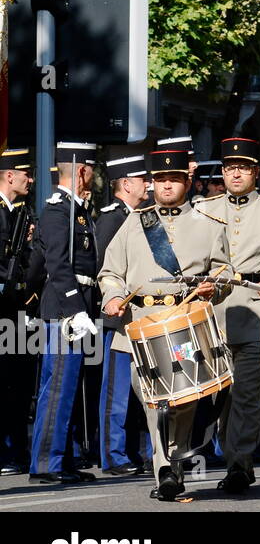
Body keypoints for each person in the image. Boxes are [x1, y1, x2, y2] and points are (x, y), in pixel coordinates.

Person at [99, 147, 231, 500]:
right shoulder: (133, 223)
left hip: (184, 323)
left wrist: (213, 286)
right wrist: (112, 296)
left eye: (173, 179)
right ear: (153, 183)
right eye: (160, 180)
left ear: (186, 181)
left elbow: (225, 272)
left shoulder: (209, 225)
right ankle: (165, 468)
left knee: (182, 400)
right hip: (141, 326)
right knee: (152, 400)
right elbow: (110, 271)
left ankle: (169, 465)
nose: (167, 186)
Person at [199, 137, 260, 496]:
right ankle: (224, 455)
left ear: (256, 172)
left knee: (247, 394)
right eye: (229, 168)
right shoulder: (202, 209)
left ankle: (239, 464)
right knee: (218, 398)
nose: (235, 174)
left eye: (243, 168)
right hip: (212, 317)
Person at [27, 142, 100, 485]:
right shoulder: (58, 211)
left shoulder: (79, 210)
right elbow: (57, 264)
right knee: (56, 386)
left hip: (77, 307)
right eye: (92, 169)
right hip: (63, 311)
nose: (94, 175)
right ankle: (46, 463)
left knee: (69, 386)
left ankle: (63, 458)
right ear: (82, 171)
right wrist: (75, 308)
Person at [95, 155, 150, 476]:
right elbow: (106, 266)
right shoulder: (112, 219)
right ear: (127, 184)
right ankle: (113, 455)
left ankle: (140, 451)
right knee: (115, 395)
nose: (149, 184)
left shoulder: (141, 215)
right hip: (119, 318)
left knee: (143, 391)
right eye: (142, 179)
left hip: (143, 316)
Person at [0, 148, 36, 476]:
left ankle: (17, 450)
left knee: (20, 383)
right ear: (10, 176)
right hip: (1, 312)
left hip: (20, 310)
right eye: (26, 175)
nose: (31, 180)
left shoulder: (23, 212)